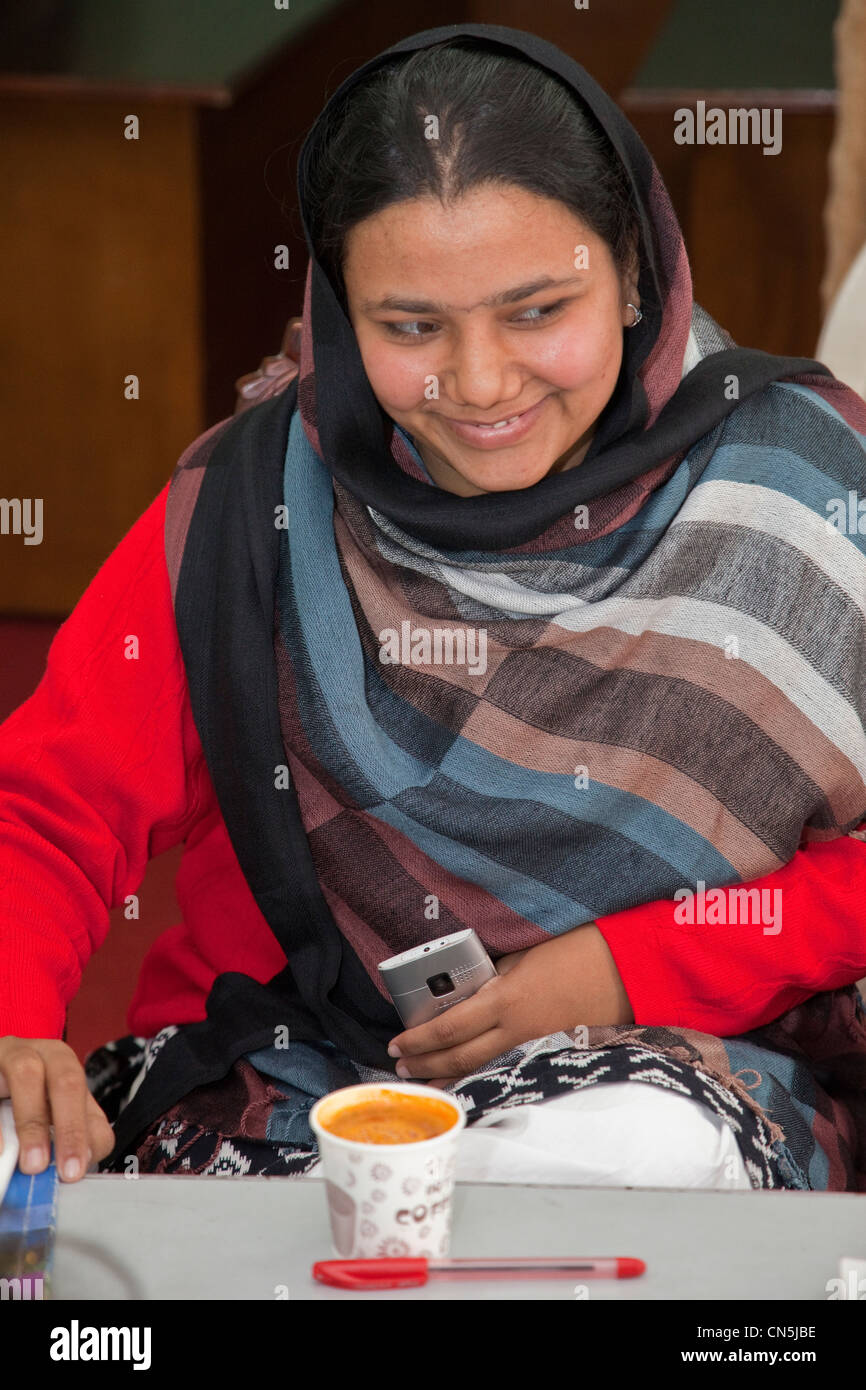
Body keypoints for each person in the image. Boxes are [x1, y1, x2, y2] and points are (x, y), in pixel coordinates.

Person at [2, 23, 866, 1197]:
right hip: (283, 1081)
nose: (480, 383)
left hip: (664, 1076)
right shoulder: (255, 499)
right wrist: (11, 1020)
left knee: (620, 1160)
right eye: (411, 326)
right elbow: (47, 811)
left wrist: (624, 966)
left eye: (533, 310)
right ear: (338, 307)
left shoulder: (803, 487)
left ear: (629, 266)